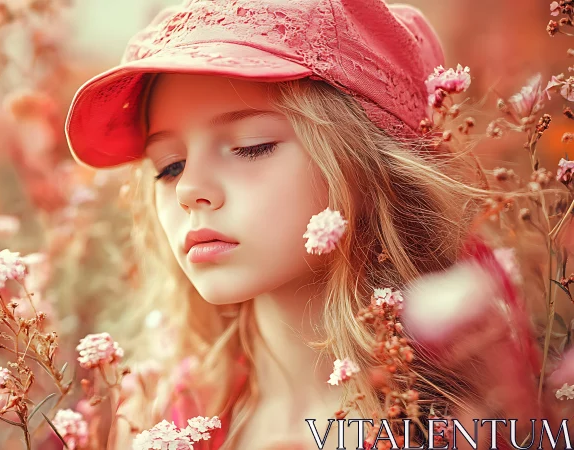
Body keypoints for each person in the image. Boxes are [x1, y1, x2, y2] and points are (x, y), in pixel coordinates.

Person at [63, 0, 542, 448]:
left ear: (365, 163)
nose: (189, 190)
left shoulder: (472, 418)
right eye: (169, 166)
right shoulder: (156, 418)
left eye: (250, 146)